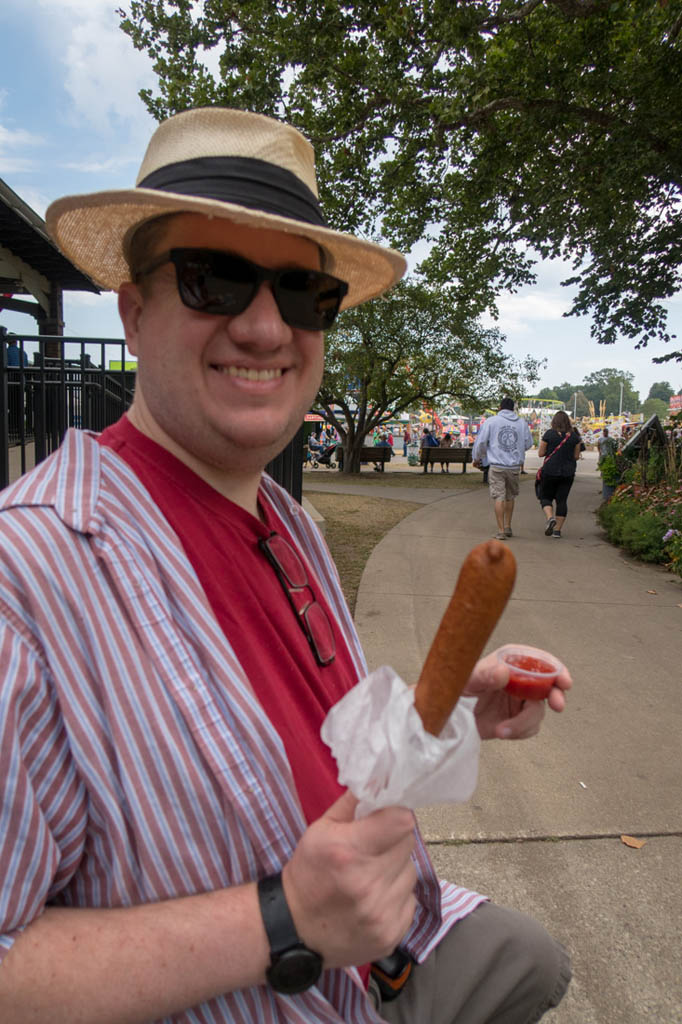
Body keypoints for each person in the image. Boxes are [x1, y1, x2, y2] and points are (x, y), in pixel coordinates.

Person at [0, 107, 571, 1024]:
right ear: (136, 311)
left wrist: (452, 699)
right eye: (214, 279)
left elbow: (307, 738)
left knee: (535, 960)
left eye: (305, 293)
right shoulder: (24, 577)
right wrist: (280, 921)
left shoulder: (288, 520)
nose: (267, 328)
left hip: (399, 955)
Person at [472, 398, 532, 540]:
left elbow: (481, 442)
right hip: (514, 466)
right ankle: (508, 526)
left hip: (497, 465)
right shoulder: (521, 423)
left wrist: (477, 458)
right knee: (510, 496)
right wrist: (518, 450)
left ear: (500, 407)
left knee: (499, 496)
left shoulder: (492, 421)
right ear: (513, 408)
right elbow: (528, 443)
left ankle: (500, 531)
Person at [537, 411, 583, 538]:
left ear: (554, 421)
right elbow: (576, 456)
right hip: (567, 473)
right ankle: (557, 531)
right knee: (562, 500)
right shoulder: (575, 437)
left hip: (550, 471)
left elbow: (541, 453)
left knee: (545, 497)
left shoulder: (549, 434)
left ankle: (550, 518)